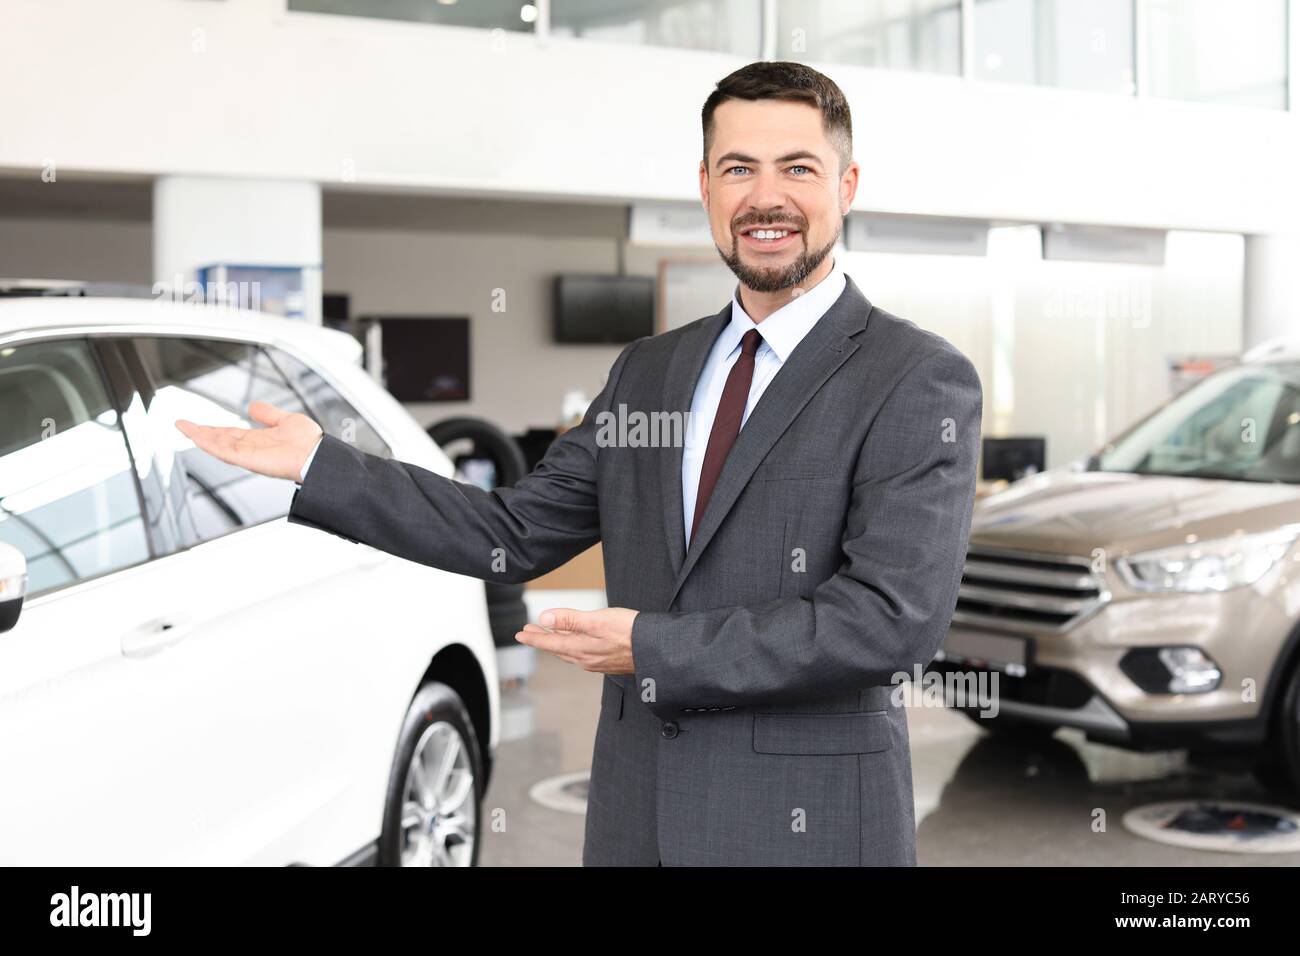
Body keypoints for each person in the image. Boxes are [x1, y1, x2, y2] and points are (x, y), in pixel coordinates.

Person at [175, 60, 982, 866]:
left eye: (797, 168)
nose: (765, 197)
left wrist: (654, 650)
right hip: (637, 817)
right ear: (705, 186)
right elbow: (515, 529)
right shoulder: (652, 370)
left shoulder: (914, 378)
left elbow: (889, 623)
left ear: (846, 184)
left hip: (809, 827)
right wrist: (323, 465)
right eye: (739, 168)